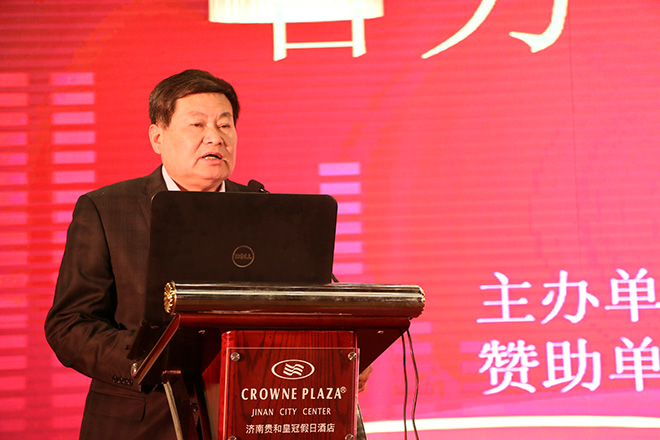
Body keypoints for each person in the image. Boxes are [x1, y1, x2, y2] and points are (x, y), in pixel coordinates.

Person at [44, 69, 371, 440]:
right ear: (157, 136)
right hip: (141, 422)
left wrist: (341, 352)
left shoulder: (267, 211)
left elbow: (309, 306)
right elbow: (69, 325)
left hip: (250, 417)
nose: (215, 137)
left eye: (225, 125)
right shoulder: (106, 210)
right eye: (197, 124)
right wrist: (150, 359)